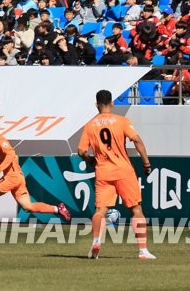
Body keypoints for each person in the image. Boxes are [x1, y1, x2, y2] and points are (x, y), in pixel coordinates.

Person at [77, 89, 155, 260]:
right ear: (112, 103)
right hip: (123, 170)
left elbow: (81, 150)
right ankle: (143, 251)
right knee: (136, 209)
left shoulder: (90, 125)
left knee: (100, 210)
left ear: (96, 105)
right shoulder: (122, 121)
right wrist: (146, 163)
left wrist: (90, 160)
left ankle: (96, 241)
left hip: (103, 171)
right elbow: (137, 141)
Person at [0, 113, 70, 231]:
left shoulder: (0, 140)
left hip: (12, 177)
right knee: (28, 207)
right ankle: (58, 209)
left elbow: (11, 154)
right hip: (18, 178)